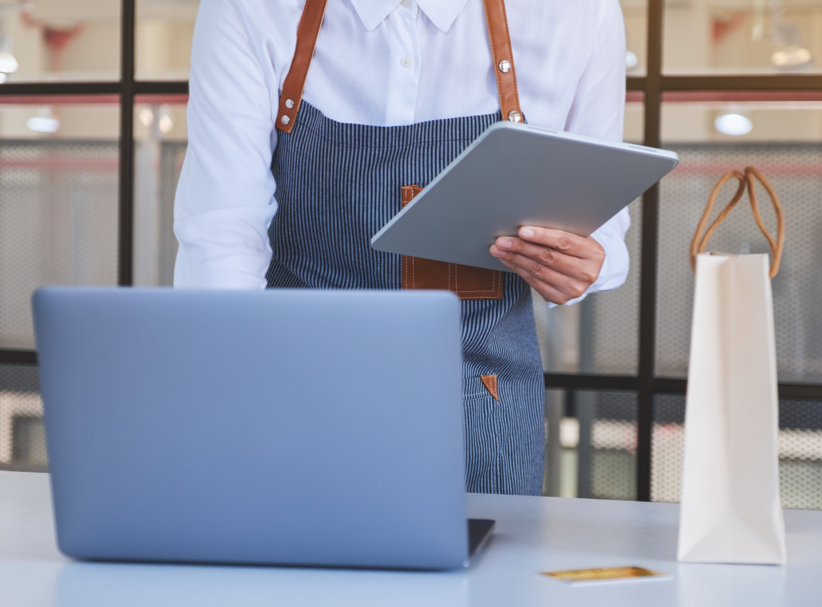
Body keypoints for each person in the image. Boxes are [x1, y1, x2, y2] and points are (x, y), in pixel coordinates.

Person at [174, 0, 630, 496]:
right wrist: (221, 406)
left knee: (490, 571)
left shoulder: (580, 13)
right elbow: (224, 239)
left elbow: (601, 224)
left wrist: (584, 264)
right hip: (290, 401)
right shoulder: (250, 8)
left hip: (482, 410)